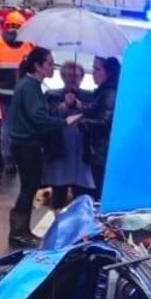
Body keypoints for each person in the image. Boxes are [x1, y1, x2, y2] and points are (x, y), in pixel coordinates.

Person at [8, 46, 80, 247]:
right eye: (49, 63)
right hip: (26, 144)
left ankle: (22, 230)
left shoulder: (32, 86)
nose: (52, 68)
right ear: (38, 66)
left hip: (27, 143)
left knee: (29, 187)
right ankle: (18, 231)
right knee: (29, 187)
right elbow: (38, 118)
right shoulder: (29, 87)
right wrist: (63, 122)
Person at [42, 59, 96, 205]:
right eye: (67, 75)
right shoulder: (51, 94)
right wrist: (64, 105)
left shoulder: (90, 95)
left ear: (82, 77)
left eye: (75, 76)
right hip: (60, 149)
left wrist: (78, 104)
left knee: (82, 198)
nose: (71, 79)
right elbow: (47, 116)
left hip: (81, 151)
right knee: (58, 196)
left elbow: (94, 113)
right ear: (62, 77)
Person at [0, 11, 33, 168]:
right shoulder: (27, 44)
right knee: (16, 126)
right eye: (11, 26)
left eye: (15, 27)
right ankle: (14, 159)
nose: (13, 30)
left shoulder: (28, 45)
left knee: (12, 126)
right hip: (12, 95)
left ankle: (13, 158)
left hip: (13, 93)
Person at [81, 55, 119, 187]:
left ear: (108, 73)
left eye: (97, 69)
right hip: (99, 151)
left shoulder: (109, 93)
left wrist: (83, 122)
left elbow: (105, 123)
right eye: (93, 69)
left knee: (101, 189)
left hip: (102, 152)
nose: (93, 73)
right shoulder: (102, 91)